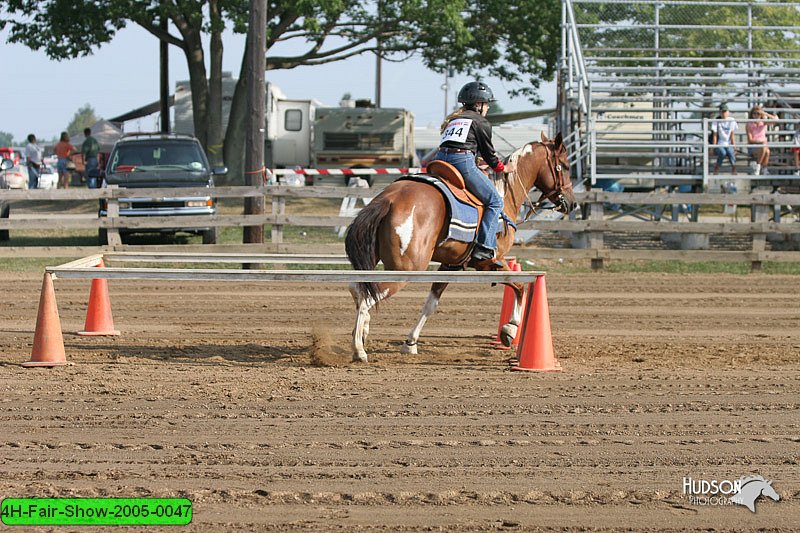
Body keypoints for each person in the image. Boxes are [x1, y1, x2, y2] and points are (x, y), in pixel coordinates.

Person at [434, 81, 507, 268]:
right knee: (495, 201)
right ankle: (484, 248)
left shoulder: (453, 120)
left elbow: (459, 145)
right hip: (462, 162)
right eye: (487, 103)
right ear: (479, 104)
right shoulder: (480, 122)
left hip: (440, 160)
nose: (488, 107)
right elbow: (490, 155)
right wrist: (503, 168)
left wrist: (475, 162)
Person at [745, 105, 777, 176]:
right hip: (754, 146)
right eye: (754, 113)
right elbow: (750, 140)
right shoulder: (749, 124)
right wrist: (761, 142)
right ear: (752, 114)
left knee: (767, 151)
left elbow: (775, 120)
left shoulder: (763, 122)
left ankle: (759, 167)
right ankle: (762, 168)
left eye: (758, 113)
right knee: (765, 149)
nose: (756, 115)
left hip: (763, 145)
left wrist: (765, 113)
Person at [711, 103, 738, 175]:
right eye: (722, 112)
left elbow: (732, 135)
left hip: (728, 143)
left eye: (725, 111)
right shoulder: (716, 121)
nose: (724, 113)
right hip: (720, 143)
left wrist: (734, 146)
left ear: (728, 112)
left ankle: (734, 168)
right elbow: (715, 135)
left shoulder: (732, 120)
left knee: (730, 152)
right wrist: (713, 147)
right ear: (720, 112)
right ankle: (717, 167)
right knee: (723, 153)